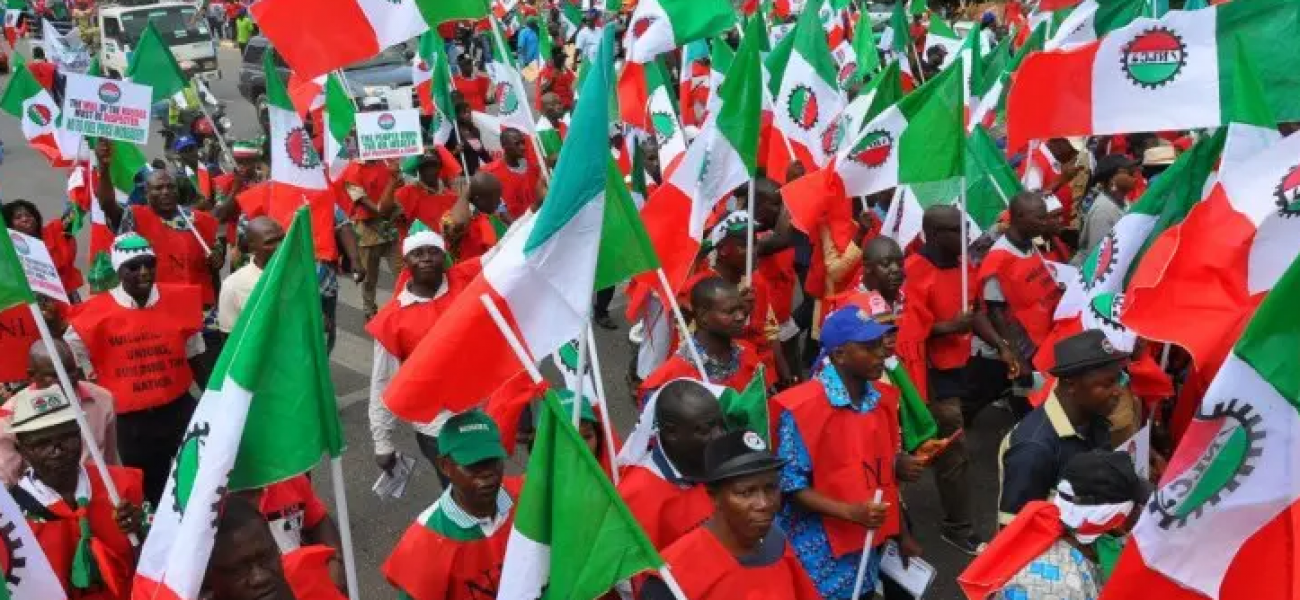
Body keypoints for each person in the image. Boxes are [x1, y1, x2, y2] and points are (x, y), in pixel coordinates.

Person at [773, 307, 910, 599]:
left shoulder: (881, 400)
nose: (880, 354)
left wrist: (898, 465)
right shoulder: (802, 409)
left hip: (868, 542)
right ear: (838, 356)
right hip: (819, 554)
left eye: (880, 345)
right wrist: (850, 512)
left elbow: (879, 467)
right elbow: (790, 487)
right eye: (868, 347)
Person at [65, 234, 206, 504]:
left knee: (196, 479)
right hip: (132, 424)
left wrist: (214, 399)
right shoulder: (93, 315)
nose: (144, 272)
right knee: (150, 489)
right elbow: (73, 358)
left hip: (179, 410)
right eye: (134, 267)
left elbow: (196, 356)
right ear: (119, 271)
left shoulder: (179, 302)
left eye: (149, 264)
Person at [893, 205, 994, 555]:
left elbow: (975, 314)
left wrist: (1003, 348)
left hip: (962, 366)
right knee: (953, 446)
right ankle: (958, 526)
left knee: (945, 444)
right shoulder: (912, 272)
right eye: (954, 229)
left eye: (963, 227)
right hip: (930, 373)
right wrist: (953, 326)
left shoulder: (967, 267)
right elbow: (912, 330)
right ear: (933, 234)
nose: (964, 235)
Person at [639, 429, 821, 600]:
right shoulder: (672, 577)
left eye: (771, 488)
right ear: (713, 496)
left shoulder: (777, 541)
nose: (764, 503)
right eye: (746, 492)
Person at [6, 386, 145, 598]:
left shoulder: (122, 487)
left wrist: (141, 531)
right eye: (42, 443)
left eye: (66, 437)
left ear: (81, 436)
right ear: (23, 450)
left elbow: (162, 558)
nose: (57, 450)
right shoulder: (12, 517)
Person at [367, 222, 481, 473]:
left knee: (484, 485)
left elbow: (505, 255)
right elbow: (383, 381)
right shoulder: (391, 320)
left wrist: (533, 211)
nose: (426, 258)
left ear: (444, 256)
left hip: (477, 412)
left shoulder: (463, 281)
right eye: (418, 253)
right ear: (406, 261)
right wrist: (382, 441)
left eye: (433, 251)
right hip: (435, 424)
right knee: (462, 487)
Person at [961, 450, 1147, 599]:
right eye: (1136, 510)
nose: (1141, 514)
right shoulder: (1053, 588)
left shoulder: (1080, 538)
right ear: (1113, 520)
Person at [383, 410, 522, 599]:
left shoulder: (526, 497)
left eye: (493, 461)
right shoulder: (425, 543)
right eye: (473, 465)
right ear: (444, 466)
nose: (488, 474)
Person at [998, 330, 1124, 526]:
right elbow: (1014, 532)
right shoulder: (1033, 449)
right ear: (1070, 384)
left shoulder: (1094, 419)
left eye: (1118, 380)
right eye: (1107, 384)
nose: (1118, 391)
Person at [94, 140, 222, 307]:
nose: (166, 192)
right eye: (159, 188)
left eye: (170, 187)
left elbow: (217, 257)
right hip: (156, 306)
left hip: (197, 307)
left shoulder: (199, 220)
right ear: (147, 193)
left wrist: (216, 259)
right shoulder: (134, 216)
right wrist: (104, 168)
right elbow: (107, 205)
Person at [618, 378, 725, 550]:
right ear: (671, 432)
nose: (719, 436)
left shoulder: (722, 460)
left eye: (721, 425)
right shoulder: (637, 496)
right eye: (705, 430)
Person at [687, 211, 789, 386]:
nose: (755, 251)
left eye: (756, 243)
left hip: (763, 377)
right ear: (724, 250)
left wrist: (785, 375)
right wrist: (739, 310)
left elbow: (770, 331)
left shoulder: (757, 282)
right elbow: (694, 343)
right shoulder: (699, 289)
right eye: (745, 245)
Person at [0, 340, 119, 485]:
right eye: (55, 374)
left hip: (100, 494)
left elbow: (110, 461)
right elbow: (7, 479)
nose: (66, 380)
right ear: (32, 376)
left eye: (70, 371)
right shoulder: (10, 415)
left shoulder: (102, 399)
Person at [977, 191, 1066, 382]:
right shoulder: (999, 259)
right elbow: (995, 311)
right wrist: (1015, 355)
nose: (1045, 222)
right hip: (1015, 352)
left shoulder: (1030, 245)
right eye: (1040, 218)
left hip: (1037, 344)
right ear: (1019, 217)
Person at [639, 277, 770, 399]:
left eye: (741, 309)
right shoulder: (671, 379)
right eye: (730, 312)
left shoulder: (748, 355)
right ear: (703, 317)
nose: (741, 316)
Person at [203, 495, 346, 600]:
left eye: (265, 557)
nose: (260, 577)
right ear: (208, 577)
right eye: (237, 570)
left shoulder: (310, 576)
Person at [342, 159, 402, 318]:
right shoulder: (354, 169)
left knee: (402, 271)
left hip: (391, 227)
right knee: (369, 277)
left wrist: (396, 178)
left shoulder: (387, 162)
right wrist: (392, 182)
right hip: (367, 229)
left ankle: (404, 306)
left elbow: (399, 190)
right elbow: (371, 206)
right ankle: (369, 310)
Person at [3, 198, 82, 301]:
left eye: (29, 215)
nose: (25, 219)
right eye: (18, 217)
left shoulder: (53, 232)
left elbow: (73, 215)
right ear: (9, 224)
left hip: (67, 296)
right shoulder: (7, 249)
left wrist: (78, 190)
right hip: (34, 303)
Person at [378, 146, 462, 241]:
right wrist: (392, 180)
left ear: (440, 167)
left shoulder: (452, 197)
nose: (429, 170)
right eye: (425, 166)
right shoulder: (406, 193)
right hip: (415, 253)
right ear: (418, 169)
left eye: (433, 165)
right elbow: (384, 213)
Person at [218, 216, 284, 334]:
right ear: (252, 247)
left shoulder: (301, 275)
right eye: (270, 242)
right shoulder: (233, 285)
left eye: (282, 239)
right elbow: (229, 338)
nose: (280, 246)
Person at [1077, 154, 1139, 261]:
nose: (1134, 176)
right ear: (1112, 180)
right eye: (1129, 173)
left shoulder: (1124, 201)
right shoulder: (1102, 211)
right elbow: (1099, 256)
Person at [1020, 138, 1084, 235]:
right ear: (1059, 142)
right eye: (1073, 149)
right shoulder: (1035, 164)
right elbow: (1030, 204)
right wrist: (1061, 180)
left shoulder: (1055, 162)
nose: (1075, 154)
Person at [480, 128, 544, 219]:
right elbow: (498, 210)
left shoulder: (534, 165)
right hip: (519, 228)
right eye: (517, 144)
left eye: (523, 142)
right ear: (504, 146)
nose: (523, 147)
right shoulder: (490, 173)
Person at [443, 172, 508, 262]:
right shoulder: (454, 216)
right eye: (495, 198)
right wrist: (465, 195)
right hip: (470, 272)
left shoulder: (492, 218)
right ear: (478, 199)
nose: (498, 202)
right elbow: (457, 224)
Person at [537, 91, 568, 163]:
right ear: (543, 109)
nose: (559, 107)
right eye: (553, 104)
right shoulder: (540, 132)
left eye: (559, 103)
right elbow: (545, 162)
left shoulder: (563, 124)